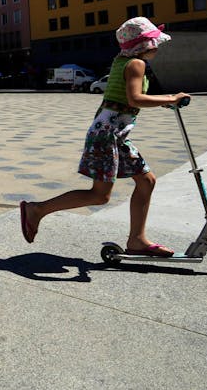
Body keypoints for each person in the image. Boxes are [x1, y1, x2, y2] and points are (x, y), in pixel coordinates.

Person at [19, 17, 190, 256]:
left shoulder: (123, 60)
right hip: (107, 136)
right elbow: (135, 98)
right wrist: (171, 99)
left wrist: (163, 102)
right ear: (143, 45)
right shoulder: (136, 64)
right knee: (100, 195)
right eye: (153, 42)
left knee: (146, 181)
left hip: (113, 135)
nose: (157, 46)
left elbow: (124, 98)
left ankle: (137, 240)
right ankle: (37, 210)